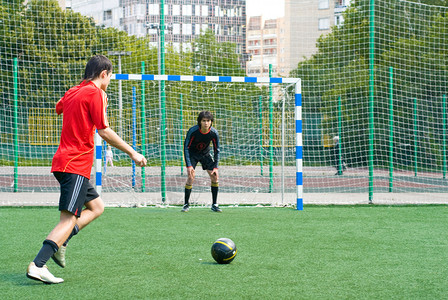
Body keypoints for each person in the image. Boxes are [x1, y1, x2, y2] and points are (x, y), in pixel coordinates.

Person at [26, 55, 147, 284]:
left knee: (97, 207)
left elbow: (58, 108)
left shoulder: (75, 91)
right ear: (104, 74)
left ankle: (62, 242)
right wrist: (133, 153)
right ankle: (38, 264)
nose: (109, 81)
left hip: (64, 162)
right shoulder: (96, 93)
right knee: (68, 219)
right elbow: (104, 130)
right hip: (75, 163)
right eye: (110, 76)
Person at [182, 111, 221, 212]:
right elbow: (186, 147)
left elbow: (217, 150)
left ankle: (214, 204)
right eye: (204, 121)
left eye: (208, 121)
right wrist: (189, 166)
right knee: (191, 177)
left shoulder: (214, 133)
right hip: (192, 154)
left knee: (215, 176)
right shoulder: (193, 131)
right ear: (200, 122)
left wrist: (215, 167)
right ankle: (186, 204)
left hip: (205, 154)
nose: (206, 123)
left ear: (211, 122)